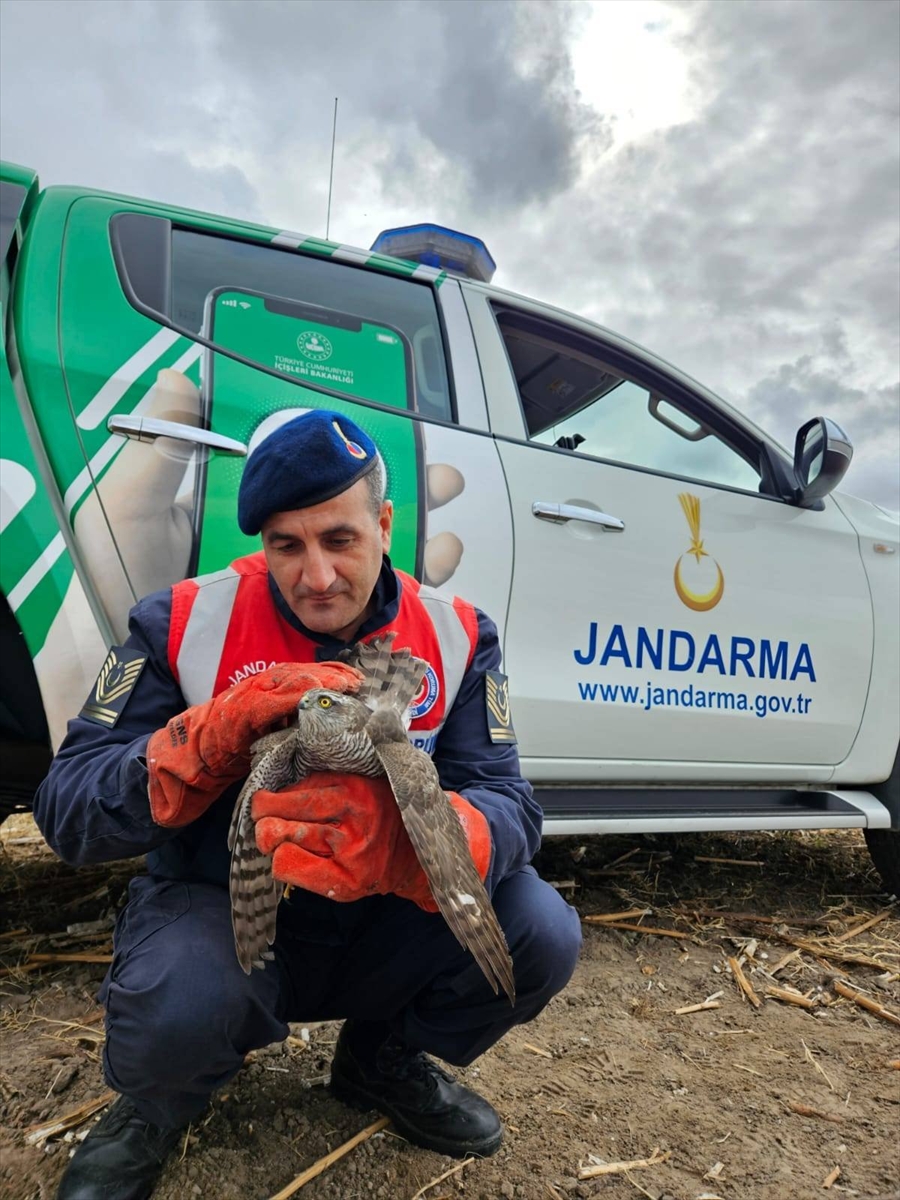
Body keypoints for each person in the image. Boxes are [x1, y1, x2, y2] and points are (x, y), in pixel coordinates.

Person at [35, 409, 582, 1200]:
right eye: (286, 546)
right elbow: (67, 810)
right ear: (259, 540)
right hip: (224, 909)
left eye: (340, 540)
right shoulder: (181, 620)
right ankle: (157, 1107)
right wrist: (196, 744)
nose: (317, 576)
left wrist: (424, 842)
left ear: (385, 524)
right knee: (178, 1001)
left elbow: (510, 802)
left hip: (385, 920)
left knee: (536, 928)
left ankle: (379, 1062)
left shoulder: (458, 634)